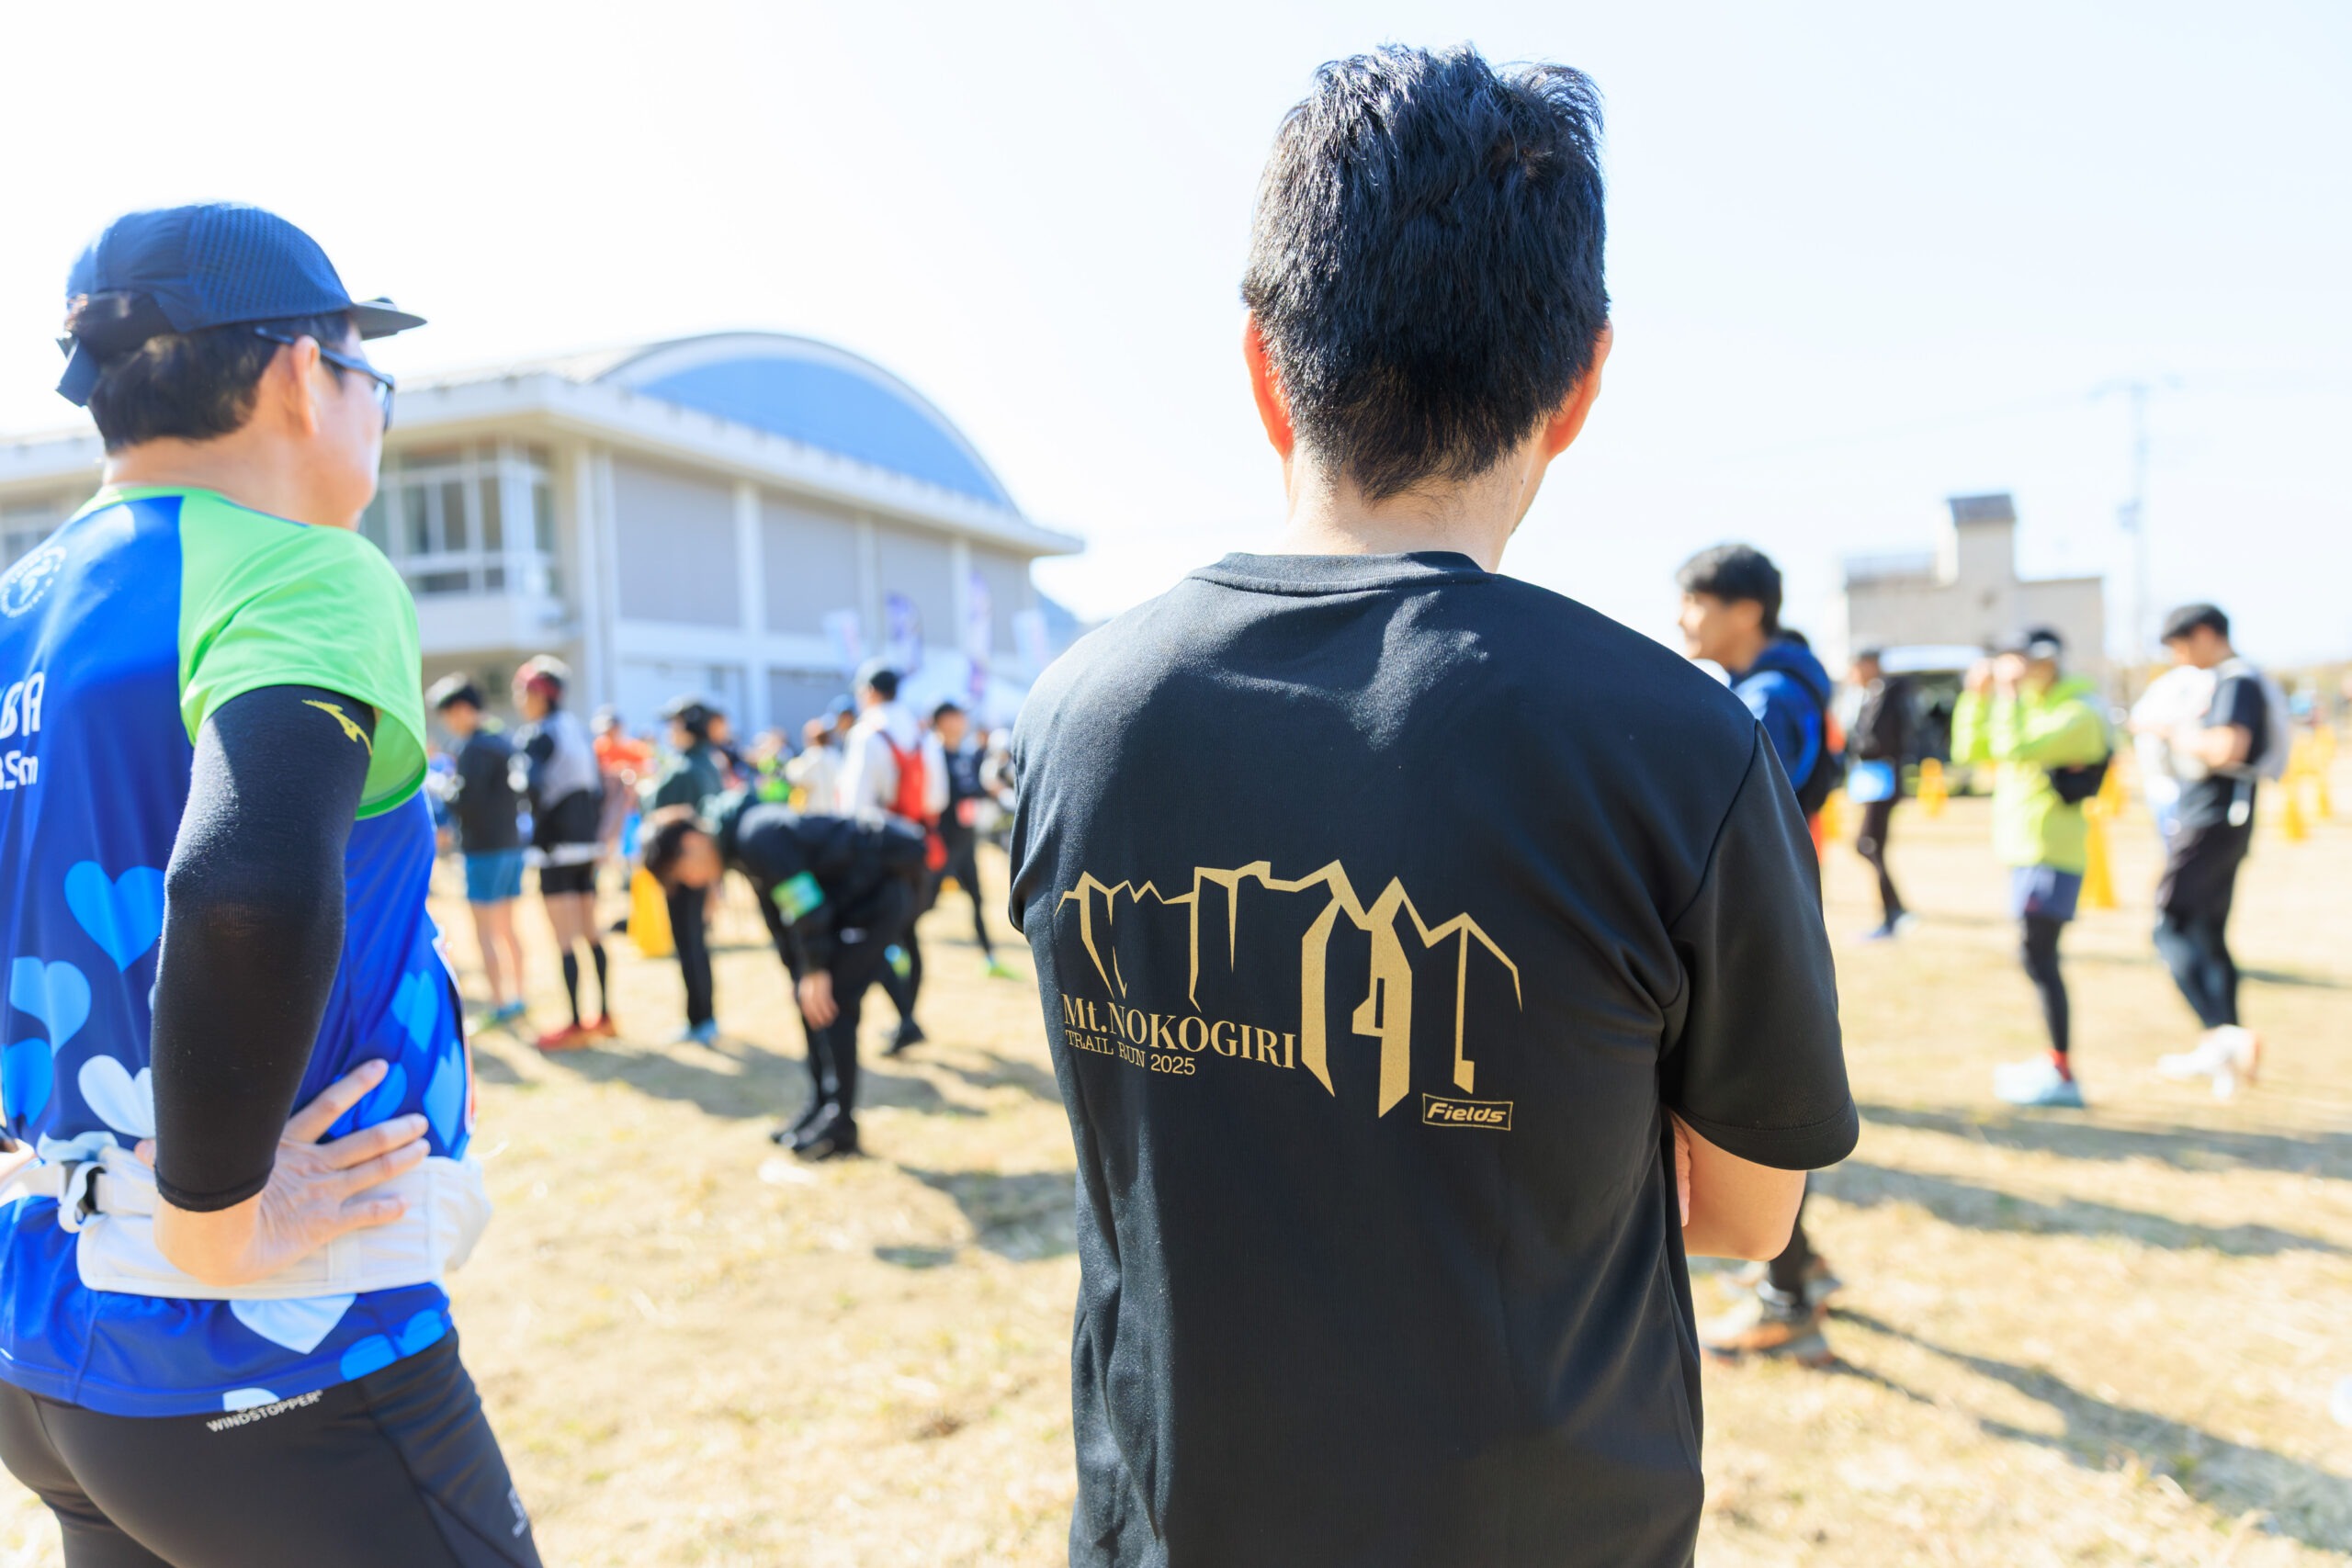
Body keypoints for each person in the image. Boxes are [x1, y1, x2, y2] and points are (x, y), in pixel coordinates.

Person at [1007, 51, 1852, 1568]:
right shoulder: (1676, 744)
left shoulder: (1077, 713)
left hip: (1165, 1516)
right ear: (1580, 384)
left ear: (1263, 364)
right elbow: (1745, 1212)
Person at [0, 203, 537, 1564]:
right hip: (266, 1342)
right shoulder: (299, 569)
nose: (373, 409)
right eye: (370, 374)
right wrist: (214, 1217)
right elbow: (245, 887)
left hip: (45, 1334)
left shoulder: (21, 608)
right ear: (304, 371)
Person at [1672, 545, 1846, 1360]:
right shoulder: (1777, 686)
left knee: (1755, 1108)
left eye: (1695, 601)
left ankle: (1788, 1299)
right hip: (1769, 916)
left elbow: (1725, 821)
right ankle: (1800, 1269)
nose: (1682, 617)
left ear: (1746, 610)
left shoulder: (1768, 698)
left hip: (1749, 927)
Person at [642, 797, 927, 1159]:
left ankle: (841, 1124)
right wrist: (799, 974)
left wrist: (815, 969)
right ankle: (821, 1105)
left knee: (833, 1001)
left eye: (681, 874)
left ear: (692, 843)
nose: (690, 883)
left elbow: (804, 904)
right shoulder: (741, 847)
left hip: (885, 886)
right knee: (809, 1000)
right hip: (853, 898)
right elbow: (780, 916)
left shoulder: (757, 836)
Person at [1951, 626, 2112, 1109]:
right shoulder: (2032, 705)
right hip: (2023, 849)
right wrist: (1975, 698)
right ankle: (2054, 1063)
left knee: (2039, 955)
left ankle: (2062, 1071)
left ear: (2046, 660)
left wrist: (2005, 694)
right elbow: (1969, 751)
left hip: (2052, 850)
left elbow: (2015, 748)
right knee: (2035, 956)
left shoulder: (2079, 711)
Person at [2143, 604, 2273, 1094]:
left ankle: (2223, 1034)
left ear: (2202, 634)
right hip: (2223, 816)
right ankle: (2226, 1056)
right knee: (2207, 932)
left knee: (2169, 924)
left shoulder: (2236, 680)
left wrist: (2173, 732)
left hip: (2211, 817)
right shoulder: (2234, 678)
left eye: (2179, 647)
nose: (2178, 659)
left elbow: (2228, 747)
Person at [839, 662, 946, 1054]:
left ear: (869, 691)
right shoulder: (923, 733)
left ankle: (905, 1019)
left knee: (875, 935)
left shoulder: (867, 732)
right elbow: (937, 799)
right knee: (909, 934)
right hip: (919, 847)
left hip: (879, 849)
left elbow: (854, 806)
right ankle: (908, 1016)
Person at [513, 656, 612, 1051]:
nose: (520, 700)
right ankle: (604, 1015)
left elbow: (530, 785)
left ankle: (574, 1023)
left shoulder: (537, 734)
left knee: (565, 939)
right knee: (591, 932)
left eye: (523, 692)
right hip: (586, 844)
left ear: (539, 694)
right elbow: (599, 786)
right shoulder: (578, 729)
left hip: (554, 848)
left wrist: (534, 823)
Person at [430, 677, 529, 1028]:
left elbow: (464, 801)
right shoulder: (502, 740)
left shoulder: (474, 747)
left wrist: (442, 789)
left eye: (448, 715)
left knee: (485, 930)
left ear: (461, 709)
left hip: (483, 848)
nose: (448, 724)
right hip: (511, 845)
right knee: (508, 927)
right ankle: (519, 996)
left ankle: (501, 1003)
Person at [648, 696, 727, 1046]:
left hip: (682, 870)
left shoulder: (684, 769)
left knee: (689, 944)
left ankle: (701, 1019)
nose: (670, 731)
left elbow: (657, 813)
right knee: (697, 943)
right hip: (704, 868)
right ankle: (702, 1017)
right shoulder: (709, 763)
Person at [931, 700, 1019, 979]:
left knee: (977, 899)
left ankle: (990, 958)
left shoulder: (964, 755)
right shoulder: (932, 754)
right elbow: (944, 796)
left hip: (965, 841)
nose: (963, 722)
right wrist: (981, 792)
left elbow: (970, 790)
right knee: (924, 902)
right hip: (941, 842)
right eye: (957, 716)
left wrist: (989, 791)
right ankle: (894, 949)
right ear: (943, 720)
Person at [1845, 648, 1917, 940]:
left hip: (1884, 778)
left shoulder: (1888, 695)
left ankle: (1894, 911)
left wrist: (1858, 746)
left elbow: (1879, 740)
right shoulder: (1870, 694)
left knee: (1869, 844)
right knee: (1870, 845)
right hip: (1874, 779)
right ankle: (1894, 909)